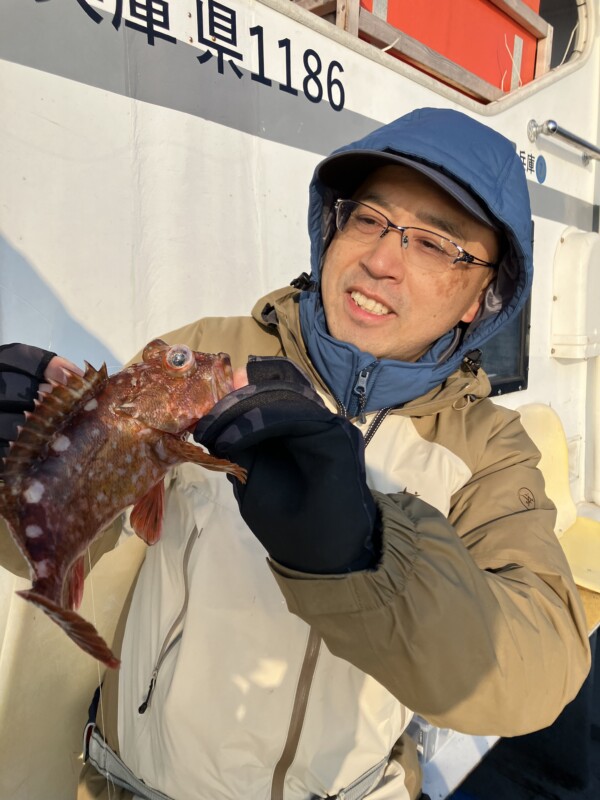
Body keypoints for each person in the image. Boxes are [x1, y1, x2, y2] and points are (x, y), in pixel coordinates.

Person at [0, 107, 591, 800]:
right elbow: (64, 541)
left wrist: (367, 553)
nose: (378, 259)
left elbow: (536, 675)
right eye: (368, 219)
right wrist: (24, 470)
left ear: (481, 299)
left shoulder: (490, 449)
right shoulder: (202, 351)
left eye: (433, 243)